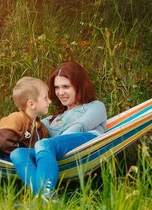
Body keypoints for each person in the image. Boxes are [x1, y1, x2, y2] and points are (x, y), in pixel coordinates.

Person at [10, 62, 107, 199]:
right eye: (57, 88)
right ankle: (45, 198)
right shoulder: (51, 120)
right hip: (55, 153)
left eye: (66, 86)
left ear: (79, 86)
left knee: (43, 144)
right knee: (18, 153)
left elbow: (80, 127)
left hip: (86, 144)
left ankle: (44, 197)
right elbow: (27, 127)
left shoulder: (95, 106)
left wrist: (50, 143)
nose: (60, 92)